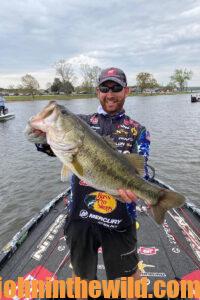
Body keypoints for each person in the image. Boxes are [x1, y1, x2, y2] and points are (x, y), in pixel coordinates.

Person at [26, 67, 150, 299]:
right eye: (105, 88)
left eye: (116, 88)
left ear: (127, 91)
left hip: (119, 217)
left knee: (128, 284)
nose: (110, 94)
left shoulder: (138, 130)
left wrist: (144, 190)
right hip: (80, 218)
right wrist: (36, 135)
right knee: (82, 281)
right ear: (97, 92)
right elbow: (48, 145)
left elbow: (141, 173)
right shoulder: (81, 122)